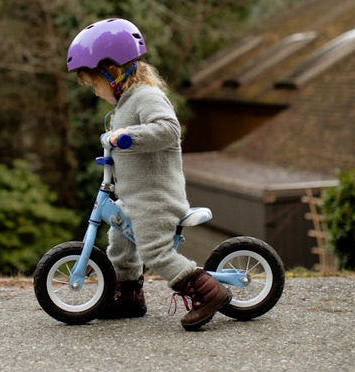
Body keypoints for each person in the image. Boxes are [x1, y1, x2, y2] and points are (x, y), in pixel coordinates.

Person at [66, 18, 231, 331]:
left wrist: (129, 136)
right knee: (119, 242)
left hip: (156, 197)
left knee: (153, 250)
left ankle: (207, 292)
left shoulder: (146, 96)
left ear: (112, 71)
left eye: (94, 85)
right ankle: (128, 297)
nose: (96, 94)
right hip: (134, 195)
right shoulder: (124, 104)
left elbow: (169, 130)